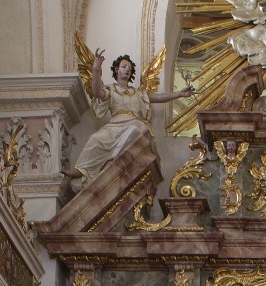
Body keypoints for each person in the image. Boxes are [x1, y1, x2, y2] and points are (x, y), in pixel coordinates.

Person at [63, 52, 191, 191]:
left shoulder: (138, 93)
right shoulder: (111, 90)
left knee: (134, 130)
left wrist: (179, 93)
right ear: (117, 69)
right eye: (124, 66)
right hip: (115, 125)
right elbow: (97, 92)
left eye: (129, 68)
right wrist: (96, 69)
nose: (127, 70)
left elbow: (160, 97)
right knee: (96, 138)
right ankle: (82, 170)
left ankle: (112, 162)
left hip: (134, 122)